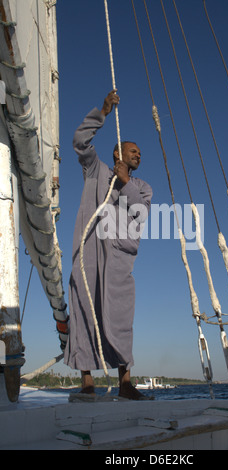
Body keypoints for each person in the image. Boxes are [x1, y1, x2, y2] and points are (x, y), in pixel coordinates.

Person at [64, 90, 152, 400]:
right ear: (118, 153)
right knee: (84, 308)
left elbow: (141, 212)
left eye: (139, 153)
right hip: (88, 252)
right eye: (132, 151)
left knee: (120, 315)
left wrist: (126, 181)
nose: (138, 155)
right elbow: (79, 142)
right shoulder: (95, 171)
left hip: (119, 259)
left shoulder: (142, 187)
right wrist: (102, 112)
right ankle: (87, 382)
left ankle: (125, 382)